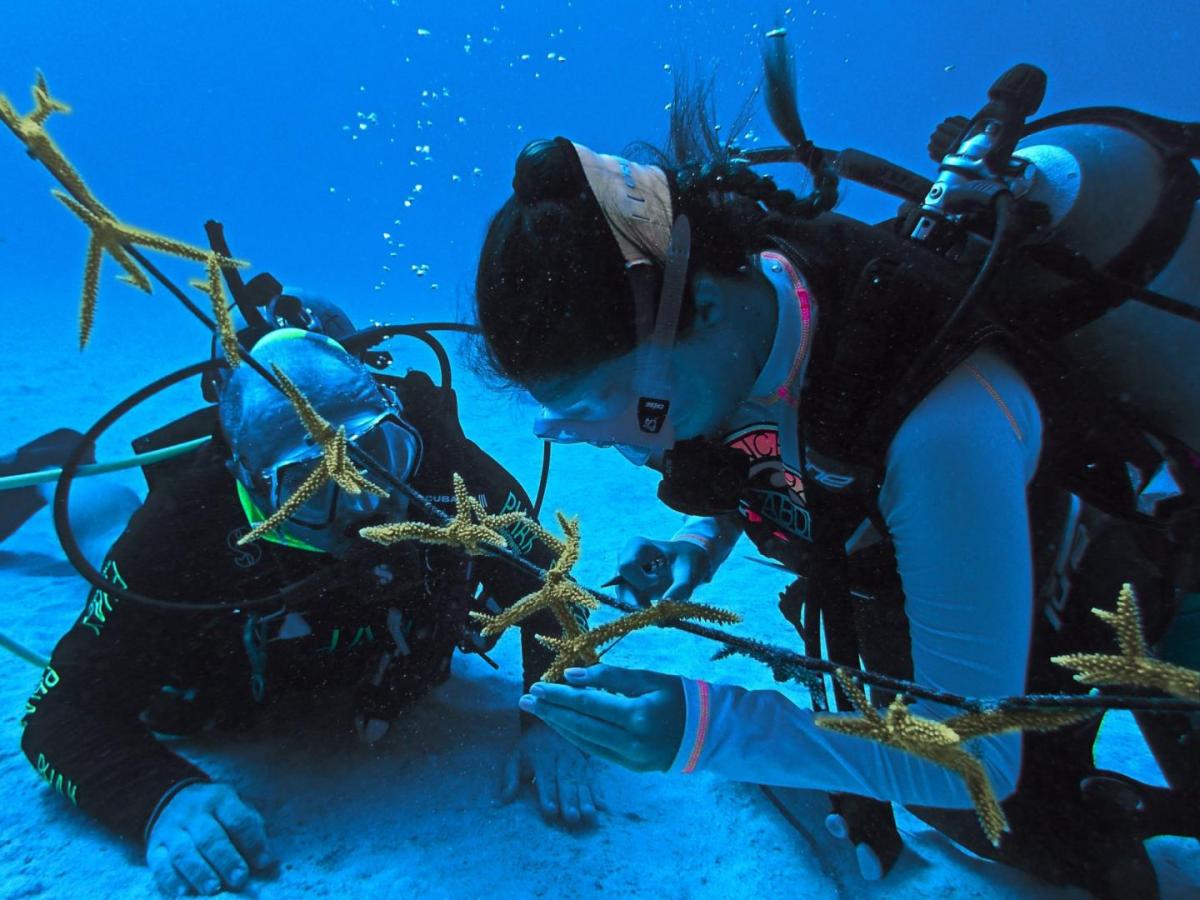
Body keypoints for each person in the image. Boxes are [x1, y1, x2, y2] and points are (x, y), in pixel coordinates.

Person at [471, 68, 1200, 898]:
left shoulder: (943, 428)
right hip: (916, 563)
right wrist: (696, 540)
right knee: (979, 814)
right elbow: (765, 437)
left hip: (1105, 568)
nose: (605, 440)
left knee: (1009, 818)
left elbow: (973, 755)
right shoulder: (744, 318)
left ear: (702, 308)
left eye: (603, 404)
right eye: (569, 422)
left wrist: (705, 728)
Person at [21, 325, 601, 898]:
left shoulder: (445, 472)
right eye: (310, 486)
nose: (365, 502)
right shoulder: (185, 529)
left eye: (378, 454)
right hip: (227, 687)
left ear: (401, 428)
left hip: (369, 668)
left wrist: (553, 719)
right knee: (102, 531)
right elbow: (57, 715)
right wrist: (159, 798)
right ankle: (59, 465)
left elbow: (551, 590)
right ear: (254, 489)